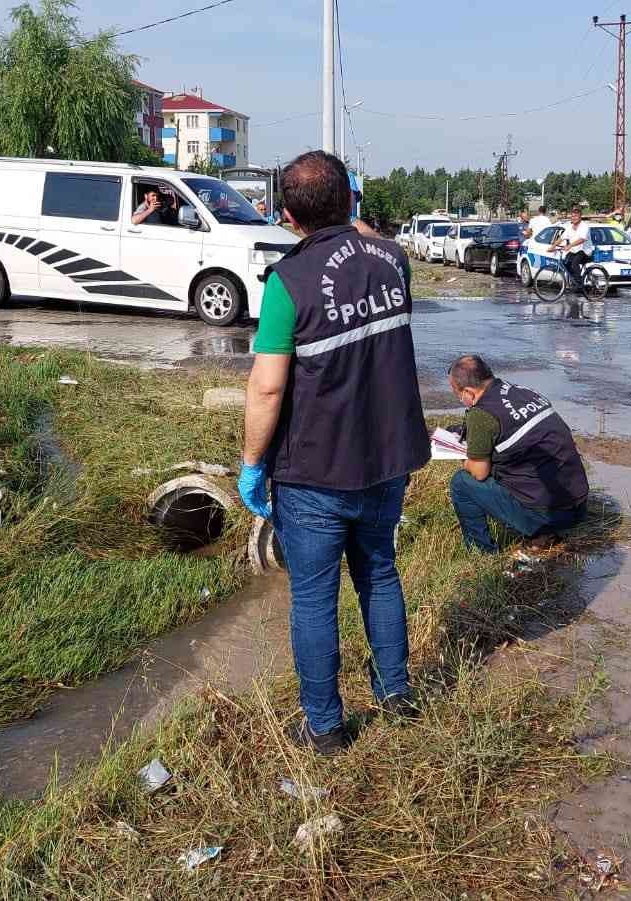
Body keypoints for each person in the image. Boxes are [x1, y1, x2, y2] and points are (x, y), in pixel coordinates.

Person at [237, 149, 428, 755]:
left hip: (315, 472)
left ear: (288, 217)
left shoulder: (288, 282)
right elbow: (362, 242)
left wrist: (251, 465)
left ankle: (325, 727)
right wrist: (348, 216)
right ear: (350, 200)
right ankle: (396, 695)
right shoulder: (394, 261)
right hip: (387, 459)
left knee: (315, 598)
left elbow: (267, 387)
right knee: (379, 573)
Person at [446, 355, 589, 553]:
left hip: (548, 515)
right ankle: (543, 534)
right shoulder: (523, 392)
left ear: (468, 392)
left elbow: (479, 472)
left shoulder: (481, 414)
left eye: (457, 393)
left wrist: (466, 459)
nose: (459, 398)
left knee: (462, 483)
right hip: (578, 504)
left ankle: (481, 551)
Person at [552, 207, 592, 290]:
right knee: (565, 263)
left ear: (580, 217)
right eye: (572, 216)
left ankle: (579, 283)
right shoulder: (570, 227)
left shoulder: (584, 226)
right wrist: (552, 247)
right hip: (574, 250)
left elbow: (582, 239)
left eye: (576, 216)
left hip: (584, 250)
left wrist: (569, 246)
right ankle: (574, 280)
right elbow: (562, 238)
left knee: (574, 263)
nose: (574, 218)